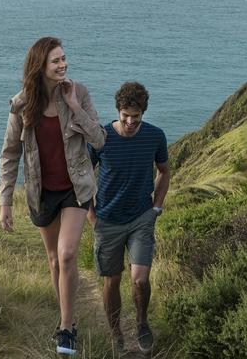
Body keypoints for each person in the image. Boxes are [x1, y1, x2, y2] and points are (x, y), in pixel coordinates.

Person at [0, 36, 106, 356]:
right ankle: (66, 318)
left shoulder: (80, 93)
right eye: (56, 61)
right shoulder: (21, 105)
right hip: (41, 192)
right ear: (40, 67)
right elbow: (9, 154)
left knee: (68, 254)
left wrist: (74, 106)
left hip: (76, 188)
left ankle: (66, 327)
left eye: (64, 58)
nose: (64, 65)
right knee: (53, 260)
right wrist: (5, 200)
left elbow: (99, 140)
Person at [88, 82, 170, 354]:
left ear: (143, 113)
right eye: (126, 115)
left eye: (136, 116)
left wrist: (156, 207)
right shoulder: (100, 137)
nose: (131, 121)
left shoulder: (155, 136)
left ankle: (142, 323)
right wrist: (90, 213)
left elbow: (164, 172)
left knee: (140, 280)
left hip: (140, 218)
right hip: (107, 220)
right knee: (111, 281)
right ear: (118, 111)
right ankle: (115, 333)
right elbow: (83, 175)